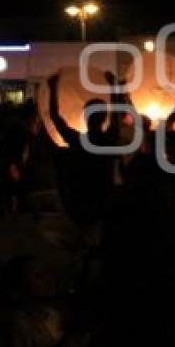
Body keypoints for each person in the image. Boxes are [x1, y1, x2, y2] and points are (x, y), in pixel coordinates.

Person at [47, 71, 123, 232]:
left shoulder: (78, 140)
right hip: (103, 197)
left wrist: (53, 88)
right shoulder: (109, 139)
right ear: (104, 119)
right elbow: (117, 114)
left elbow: (55, 117)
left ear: (85, 118)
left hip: (79, 197)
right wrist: (113, 88)